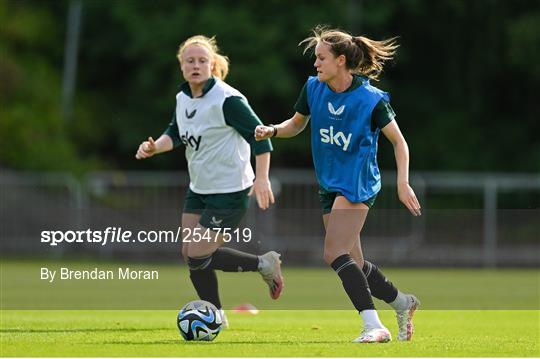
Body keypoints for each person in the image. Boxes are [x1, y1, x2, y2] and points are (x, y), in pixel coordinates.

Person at [255, 26, 421, 343]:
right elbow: (296, 124)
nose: (315, 64)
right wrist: (273, 130)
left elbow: (399, 143)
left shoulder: (370, 99)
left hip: (357, 184)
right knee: (353, 263)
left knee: (333, 253)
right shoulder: (314, 88)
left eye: (321, 58)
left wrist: (403, 183)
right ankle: (402, 302)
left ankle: (374, 326)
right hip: (329, 184)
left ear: (340, 60)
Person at [136, 35, 284, 327]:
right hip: (199, 189)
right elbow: (175, 133)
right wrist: (155, 147)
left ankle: (264, 264)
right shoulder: (183, 98)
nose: (196, 65)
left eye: (202, 60)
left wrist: (263, 178)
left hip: (230, 190)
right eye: (189, 61)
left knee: (198, 252)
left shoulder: (228, 100)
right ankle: (217, 314)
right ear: (181, 66)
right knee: (189, 253)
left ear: (213, 65)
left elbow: (261, 138)